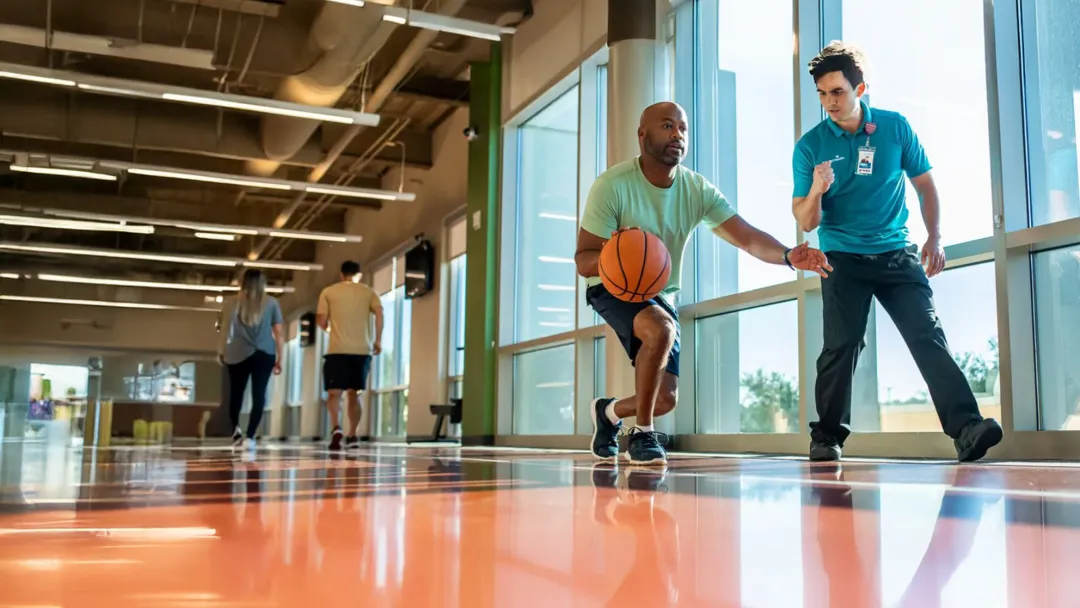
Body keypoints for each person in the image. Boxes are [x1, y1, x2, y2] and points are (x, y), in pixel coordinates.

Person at [577, 101, 832, 466]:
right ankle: (643, 433)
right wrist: (616, 253)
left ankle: (609, 413)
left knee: (664, 398)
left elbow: (745, 236)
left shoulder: (697, 189)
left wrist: (788, 255)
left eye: (682, 128)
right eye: (667, 126)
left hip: (659, 291)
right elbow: (582, 258)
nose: (677, 135)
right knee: (660, 329)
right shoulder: (611, 186)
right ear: (642, 135)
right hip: (610, 283)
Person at [791, 41, 1003, 462]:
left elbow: (925, 185)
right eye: (822, 94)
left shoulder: (894, 127)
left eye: (837, 92)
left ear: (860, 89)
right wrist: (816, 188)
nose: (829, 102)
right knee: (843, 344)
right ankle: (827, 437)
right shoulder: (810, 146)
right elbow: (806, 221)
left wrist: (934, 237)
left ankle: (966, 428)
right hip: (842, 257)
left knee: (927, 333)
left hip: (896, 252)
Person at [316, 260, 383, 450]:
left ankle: (336, 427)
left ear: (341, 274)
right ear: (359, 274)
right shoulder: (368, 292)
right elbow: (379, 313)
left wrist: (332, 329)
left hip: (337, 350)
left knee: (334, 393)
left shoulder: (328, 292)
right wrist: (377, 340)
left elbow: (321, 321)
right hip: (361, 351)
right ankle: (353, 434)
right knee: (355, 393)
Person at [218, 269, 284, 450]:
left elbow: (225, 329)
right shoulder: (271, 303)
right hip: (264, 354)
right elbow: (278, 332)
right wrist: (280, 356)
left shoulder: (231, 302)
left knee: (236, 393)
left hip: (237, 353)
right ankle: (251, 435)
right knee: (259, 394)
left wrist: (221, 351)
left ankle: (236, 430)